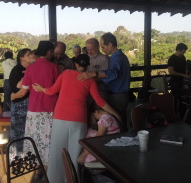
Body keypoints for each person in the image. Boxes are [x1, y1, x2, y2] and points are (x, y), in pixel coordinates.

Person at [32, 54, 121, 183]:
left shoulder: (66, 73)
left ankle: (54, 180)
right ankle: (73, 180)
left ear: (76, 64)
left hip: (60, 116)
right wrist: (116, 114)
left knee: (57, 149)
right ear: (88, 66)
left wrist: (40, 89)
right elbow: (100, 102)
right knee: (74, 152)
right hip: (78, 119)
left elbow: (51, 91)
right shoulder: (90, 80)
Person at [11, 41, 60, 172]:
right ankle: (48, 167)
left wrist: (13, 97)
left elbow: (23, 91)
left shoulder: (30, 68)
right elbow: (59, 89)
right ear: (49, 52)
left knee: (35, 138)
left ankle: (38, 168)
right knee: (49, 138)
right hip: (51, 108)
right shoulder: (54, 67)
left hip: (34, 108)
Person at [78, 32, 131, 131]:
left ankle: (123, 140)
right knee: (116, 120)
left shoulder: (117, 58)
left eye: (103, 47)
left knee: (118, 121)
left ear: (110, 45)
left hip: (118, 95)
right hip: (113, 94)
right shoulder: (115, 57)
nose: (103, 49)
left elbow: (113, 73)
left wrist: (94, 74)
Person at [8, 48, 31, 160]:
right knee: (18, 130)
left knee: (26, 130)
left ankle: (26, 155)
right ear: (21, 58)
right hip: (19, 104)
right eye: (28, 55)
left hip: (28, 103)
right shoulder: (17, 70)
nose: (30, 56)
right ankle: (15, 157)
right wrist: (26, 75)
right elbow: (18, 87)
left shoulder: (30, 68)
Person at [167, 43, 190, 117]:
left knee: (181, 97)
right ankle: (174, 114)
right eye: (183, 51)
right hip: (175, 81)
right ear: (179, 50)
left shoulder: (183, 57)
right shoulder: (172, 59)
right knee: (175, 98)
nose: (184, 52)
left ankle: (181, 114)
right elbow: (171, 71)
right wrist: (183, 75)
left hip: (182, 80)